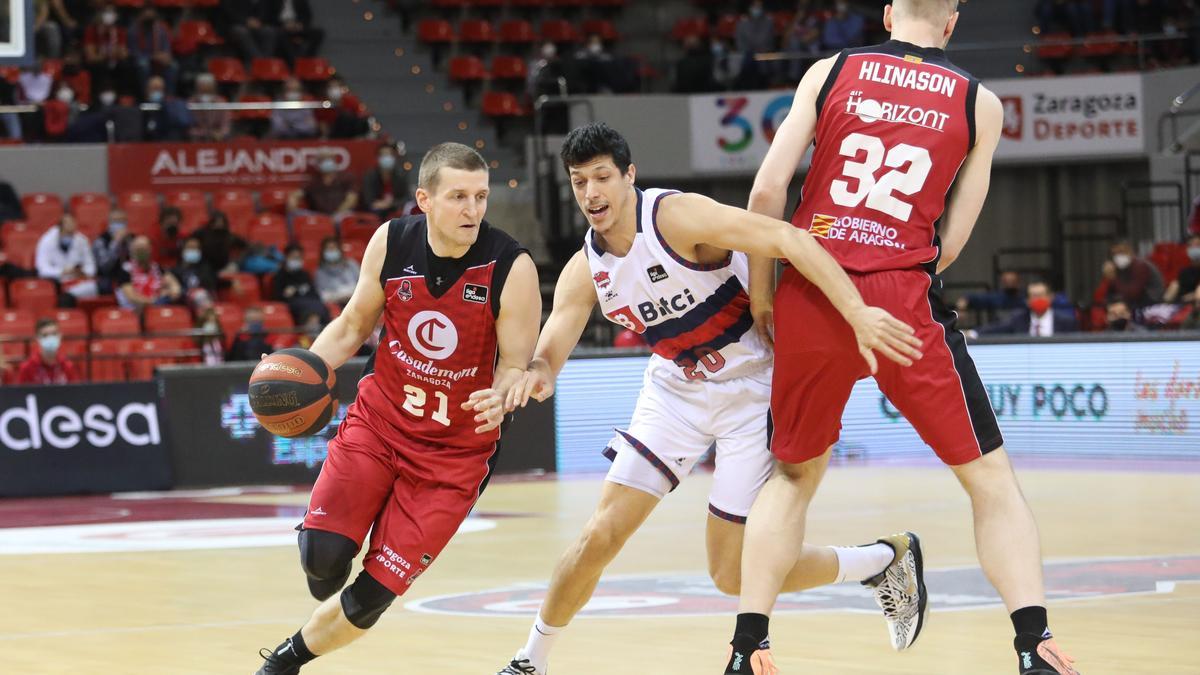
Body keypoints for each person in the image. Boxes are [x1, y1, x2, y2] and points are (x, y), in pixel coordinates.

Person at [726, 2, 1081, 674]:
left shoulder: (832, 71)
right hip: (902, 303)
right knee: (990, 481)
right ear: (952, 23)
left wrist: (767, 294)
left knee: (792, 478)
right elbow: (953, 241)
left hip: (811, 288)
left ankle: (749, 647)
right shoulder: (980, 103)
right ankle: (1034, 643)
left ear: (888, 12)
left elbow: (768, 192)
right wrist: (899, 267)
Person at [496, 123, 924, 675]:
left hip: (753, 389)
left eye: (602, 177)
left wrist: (848, 310)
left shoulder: (676, 218)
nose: (591, 194)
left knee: (731, 574)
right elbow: (551, 347)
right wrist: (533, 375)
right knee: (599, 533)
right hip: (676, 389)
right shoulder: (586, 268)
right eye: (579, 182)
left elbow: (787, 237)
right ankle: (531, 661)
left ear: (629, 176)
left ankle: (883, 560)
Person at [253, 142, 541, 674]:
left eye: (480, 197)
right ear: (425, 200)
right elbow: (353, 325)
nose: (472, 210)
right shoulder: (391, 240)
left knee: (370, 596)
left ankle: (283, 663)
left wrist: (506, 392)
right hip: (380, 423)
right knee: (321, 563)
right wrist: (302, 372)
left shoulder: (511, 266)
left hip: (454, 457)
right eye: (458, 197)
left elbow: (516, 364)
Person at [973, 282, 1079, 337]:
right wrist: (974, 333)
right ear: (1028, 301)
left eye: (1041, 295)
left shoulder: (1067, 321)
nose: (1038, 299)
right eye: (1034, 296)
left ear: (1050, 297)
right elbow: (996, 328)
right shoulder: (1018, 319)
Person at [35, 214, 98, 300]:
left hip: (78, 280)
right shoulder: (47, 241)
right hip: (56, 282)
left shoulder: (81, 240)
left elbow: (90, 265)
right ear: (60, 228)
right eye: (67, 232)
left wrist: (83, 272)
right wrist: (63, 271)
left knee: (99, 287)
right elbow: (43, 269)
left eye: (72, 232)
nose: (71, 234)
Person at [113, 235, 182, 310]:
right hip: (134, 312)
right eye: (138, 249)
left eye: (144, 248)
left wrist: (172, 292)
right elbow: (132, 297)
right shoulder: (125, 270)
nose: (141, 252)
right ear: (132, 251)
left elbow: (174, 285)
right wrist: (156, 300)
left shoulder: (157, 268)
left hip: (158, 309)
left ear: (150, 249)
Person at [288, 150, 359, 217]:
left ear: (334, 161)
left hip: (340, 214)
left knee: (346, 217)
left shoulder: (346, 178)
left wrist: (337, 214)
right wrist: (292, 202)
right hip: (319, 216)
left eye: (329, 159)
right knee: (294, 215)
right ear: (318, 164)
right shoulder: (313, 182)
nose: (327, 161)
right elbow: (296, 195)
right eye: (323, 159)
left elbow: (352, 199)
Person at [272, 243, 329, 324]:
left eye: (298, 258)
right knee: (312, 308)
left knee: (320, 305)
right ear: (286, 258)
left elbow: (314, 293)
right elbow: (276, 298)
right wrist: (285, 295)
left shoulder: (305, 274)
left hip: (310, 302)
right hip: (293, 304)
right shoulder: (279, 276)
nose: (296, 260)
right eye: (293, 257)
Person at [14, 318, 80, 385]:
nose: (50, 338)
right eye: (45, 335)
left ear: (60, 336)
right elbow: (20, 394)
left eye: (54, 334)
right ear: (37, 338)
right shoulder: (27, 368)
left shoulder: (68, 366)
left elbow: (74, 393)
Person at [127, 7, 177, 95]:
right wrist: (152, 57)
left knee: (173, 66)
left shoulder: (161, 30)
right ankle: (146, 94)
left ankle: (169, 96)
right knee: (143, 65)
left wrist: (166, 56)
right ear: (141, 16)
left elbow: (166, 48)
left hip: (158, 58)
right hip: (141, 59)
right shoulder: (133, 31)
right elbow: (134, 52)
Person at [1102, 239, 1164, 309]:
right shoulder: (1118, 267)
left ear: (1130, 251)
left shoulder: (1140, 266)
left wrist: (1113, 278)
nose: (1118, 256)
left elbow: (1132, 294)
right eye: (1114, 254)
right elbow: (1104, 295)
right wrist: (1107, 278)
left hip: (1150, 303)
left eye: (1121, 252)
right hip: (1130, 301)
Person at [360, 143, 409, 220]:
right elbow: (368, 199)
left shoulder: (400, 175)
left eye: (389, 155)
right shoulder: (370, 176)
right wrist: (379, 204)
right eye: (384, 155)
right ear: (378, 158)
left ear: (394, 157)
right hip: (375, 211)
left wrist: (390, 204)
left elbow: (406, 198)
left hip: (394, 208)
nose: (387, 158)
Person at [142, 74, 192, 142]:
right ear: (147, 89)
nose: (157, 92)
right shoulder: (141, 107)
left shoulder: (170, 107)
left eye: (159, 89)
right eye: (154, 88)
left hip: (164, 141)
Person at [92, 208, 131, 293]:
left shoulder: (131, 240)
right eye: (115, 221)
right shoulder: (101, 241)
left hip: (128, 277)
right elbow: (105, 267)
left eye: (121, 221)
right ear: (109, 223)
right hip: (108, 278)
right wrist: (115, 243)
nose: (119, 225)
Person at [315, 236, 359, 307]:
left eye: (333, 248)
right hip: (337, 305)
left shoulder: (351, 264)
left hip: (358, 300)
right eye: (329, 249)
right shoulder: (320, 272)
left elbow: (362, 284)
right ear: (323, 252)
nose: (331, 251)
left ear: (339, 250)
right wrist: (342, 296)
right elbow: (323, 296)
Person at [189, 73, 232, 142]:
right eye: (202, 85)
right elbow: (189, 126)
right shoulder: (191, 102)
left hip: (217, 137)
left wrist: (221, 133)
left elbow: (226, 124)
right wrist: (203, 133)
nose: (205, 88)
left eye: (207, 85)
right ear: (197, 86)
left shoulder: (221, 102)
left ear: (213, 86)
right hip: (197, 137)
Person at [1163, 234, 1200, 303]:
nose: (1194, 248)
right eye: (1191, 245)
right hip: (1182, 300)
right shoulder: (1185, 271)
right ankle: (1164, 307)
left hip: (1196, 299)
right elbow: (1179, 286)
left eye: (1197, 245)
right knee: (1174, 284)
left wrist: (1192, 295)